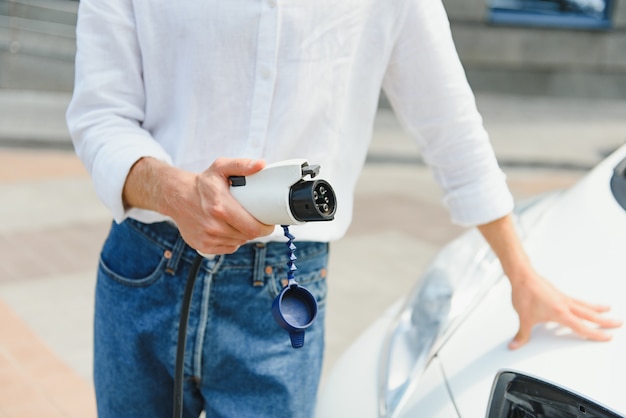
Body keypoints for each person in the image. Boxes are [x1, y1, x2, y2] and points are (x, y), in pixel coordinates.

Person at [66, 1, 621, 417]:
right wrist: (177, 194)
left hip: (281, 290)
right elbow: (100, 114)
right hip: (144, 268)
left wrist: (520, 272)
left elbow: (449, 125)